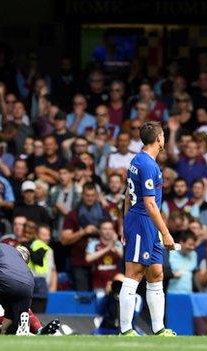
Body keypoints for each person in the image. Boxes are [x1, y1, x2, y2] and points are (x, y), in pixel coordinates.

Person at [119, 121, 176, 336]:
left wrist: (125, 222)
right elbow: (150, 204)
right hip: (143, 221)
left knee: (156, 272)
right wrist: (166, 233)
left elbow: (127, 195)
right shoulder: (148, 165)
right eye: (163, 135)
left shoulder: (138, 160)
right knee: (134, 272)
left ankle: (159, 328)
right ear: (159, 138)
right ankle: (125, 329)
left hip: (141, 221)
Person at [61, 182, 111, 291]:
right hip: (80, 262)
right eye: (87, 195)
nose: (90, 198)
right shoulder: (73, 214)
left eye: (92, 195)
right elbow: (64, 240)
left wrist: (98, 231)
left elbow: (113, 235)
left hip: (102, 263)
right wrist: (82, 232)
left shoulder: (104, 213)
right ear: (82, 195)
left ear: (97, 196)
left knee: (101, 295)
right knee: (83, 297)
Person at [85, 219, 123, 291]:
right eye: (105, 229)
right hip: (98, 283)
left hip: (115, 283)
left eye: (110, 229)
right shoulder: (93, 244)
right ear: (100, 231)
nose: (108, 231)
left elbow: (123, 257)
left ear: (113, 231)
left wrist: (114, 245)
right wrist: (108, 248)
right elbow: (88, 259)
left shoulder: (118, 244)